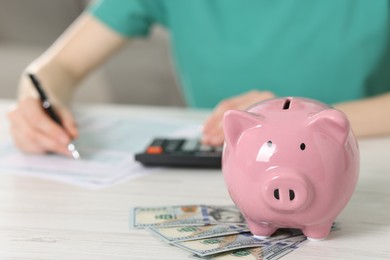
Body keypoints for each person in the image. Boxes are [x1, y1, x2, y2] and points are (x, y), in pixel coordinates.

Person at [7, 0, 390, 157]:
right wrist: (35, 103)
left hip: (365, 160)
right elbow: (55, 68)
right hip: (216, 171)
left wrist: (296, 122)